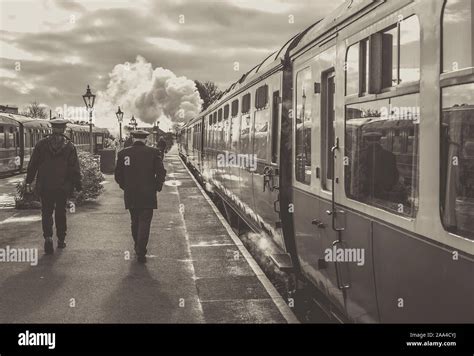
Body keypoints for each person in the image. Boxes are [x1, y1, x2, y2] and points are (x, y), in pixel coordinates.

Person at [25, 118, 82, 254]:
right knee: (61, 212)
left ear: (52, 128)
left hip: (45, 185)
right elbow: (74, 168)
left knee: (46, 212)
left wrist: (29, 181)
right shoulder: (69, 146)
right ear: (63, 129)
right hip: (62, 186)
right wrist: (78, 185)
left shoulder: (41, 144)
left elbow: (33, 165)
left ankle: (48, 237)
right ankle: (61, 240)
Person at [114, 130, 167, 263]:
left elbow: (118, 175)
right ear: (146, 139)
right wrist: (157, 186)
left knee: (134, 221)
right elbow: (161, 172)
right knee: (145, 222)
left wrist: (125, 187)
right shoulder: (154, 152)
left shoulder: (123, 153)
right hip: (148, 193)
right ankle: (141, 251)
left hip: (131, 193)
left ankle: (138, 246)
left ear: (133, 138)